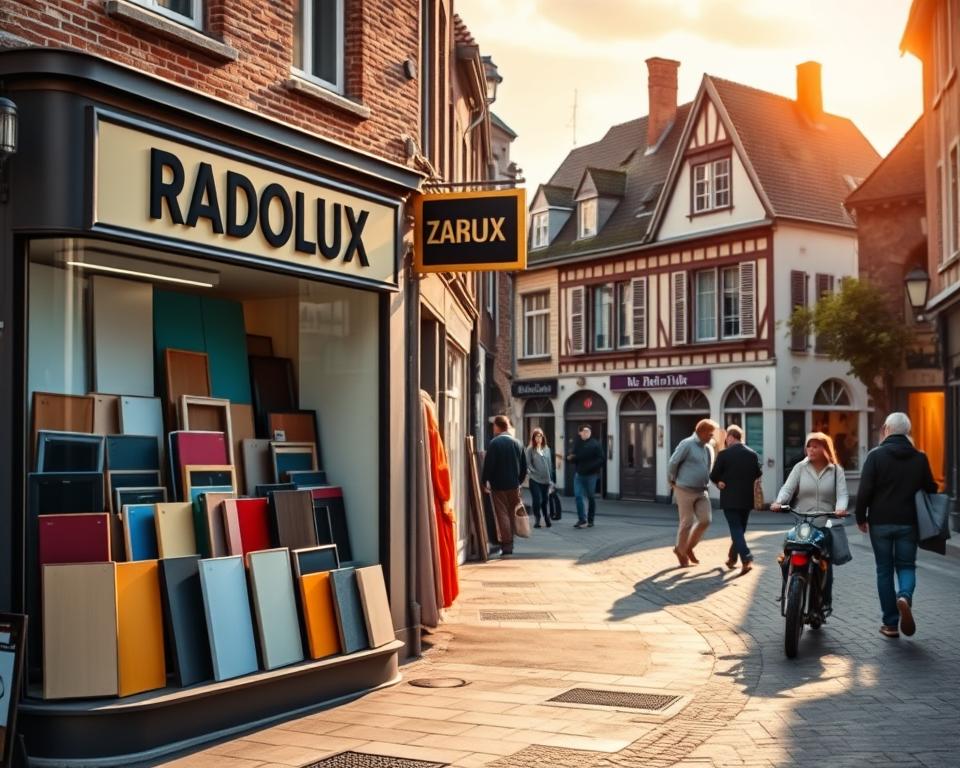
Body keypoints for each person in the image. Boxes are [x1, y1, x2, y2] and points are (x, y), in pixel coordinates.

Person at [855, 412, 937, 639]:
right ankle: (905, 597)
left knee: (884, 570)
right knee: (907, 566)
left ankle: (890, 624)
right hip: (909, 522)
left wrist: (860, 517)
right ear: (908, 432)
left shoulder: (875, 456)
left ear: (886, 429)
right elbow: (931, 488)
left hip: (880, 522)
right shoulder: (920, 458)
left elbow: (865, 491)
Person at [771, 432, 848, 615]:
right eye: (809, 446)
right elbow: (787, 489)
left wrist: (840, 508)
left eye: (816, 446)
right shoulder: (800, 467)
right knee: (787, 553)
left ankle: (823, 602)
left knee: (825, 563)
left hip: (823, 523)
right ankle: (788, 589)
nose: (811, 449)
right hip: (802, 523)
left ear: (825, 448)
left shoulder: (836, 470)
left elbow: (843, 494)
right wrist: (779, 502)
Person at [709, 424, 762, 575]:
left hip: (730, 498)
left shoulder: (724, 454)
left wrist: (719, 481)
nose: (726, 441)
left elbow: (713, 475)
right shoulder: (752, 454)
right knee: (739, 530)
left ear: (731, 437)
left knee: (736, 530)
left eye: (727, 438)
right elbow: (758, 473)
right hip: (746, 499)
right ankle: (732, 558)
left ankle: (746, 558)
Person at [667, 419, 718, 567]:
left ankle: (687, 547)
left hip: (702, 491)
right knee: (687, 522)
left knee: (705, 520)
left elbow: (708, 467)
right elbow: (673, 462)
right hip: (684, 489)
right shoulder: (687, 444)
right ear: (701, 432)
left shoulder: (708, 448)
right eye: (709, 434)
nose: (711, 437)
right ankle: (680, 551)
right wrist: (672, 480)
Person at [481, 414, 527, 556]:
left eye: (494, 425)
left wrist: (484, 481)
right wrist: (518, 482)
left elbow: (489, 466)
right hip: (514, 485)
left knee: (502, 515)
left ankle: (507, 545)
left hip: (499, 485)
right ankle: (511, 541)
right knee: (512, 513)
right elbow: (524, 467)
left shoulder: (495, 443)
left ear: (497, 426)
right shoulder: (518, 443)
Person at [566, 425, 604, 529]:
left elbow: (601, 459)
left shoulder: (595, 444)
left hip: (591, 475)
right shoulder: (577, 443)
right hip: (579, 475)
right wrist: (570, 459)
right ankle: (582, 519)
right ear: (580, 433)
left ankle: (590, 520)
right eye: (584, 431)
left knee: (591, 497)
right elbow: (575, 457)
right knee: (578, 496)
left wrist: (591, 468)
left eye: (588, 431)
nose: (586, 432)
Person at [525, 428, 554, 528]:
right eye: (537, 436)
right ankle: (537, 519)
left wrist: (551, 480)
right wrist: (533, 471)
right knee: (537, 500)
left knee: (545, 500)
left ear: (543, 437)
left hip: (546, 480)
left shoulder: (547, 449)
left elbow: (550, 465)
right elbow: (528, 464)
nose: (539, 438)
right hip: (535, 479)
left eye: (540, 435)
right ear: (533, 438)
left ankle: (546, 517)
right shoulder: (530, 449)